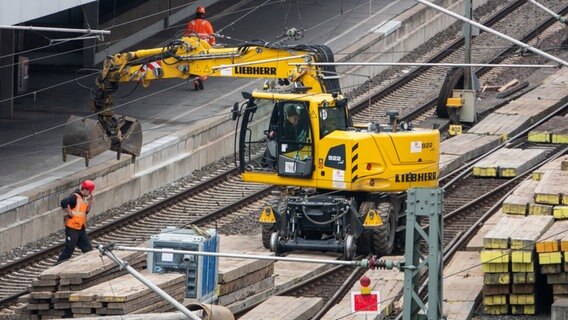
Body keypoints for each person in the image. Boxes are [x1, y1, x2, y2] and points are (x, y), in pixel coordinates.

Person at [56, 180, 95, 264]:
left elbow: (86, 212)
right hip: (72, 228)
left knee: (88, 248)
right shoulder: (75, 197)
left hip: (80, 228)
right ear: (86, 189)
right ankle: (56, 266)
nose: (90, 193)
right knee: (69, 250)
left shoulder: (83, 199)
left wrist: (90, 202)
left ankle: (91, 265)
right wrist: (69, 212)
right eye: (90, 191)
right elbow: (63, 202)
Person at [184, 6, 215, 91]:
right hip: (204, 48)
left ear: (196, 13)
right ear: (203, 14)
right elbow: (211, 35)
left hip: (192, 48)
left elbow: (185, 36)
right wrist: (212, 44)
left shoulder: (191, 23)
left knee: (193, 64)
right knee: (205, 64)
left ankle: (196, 80)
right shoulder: (206, 23)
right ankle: (201, 77)